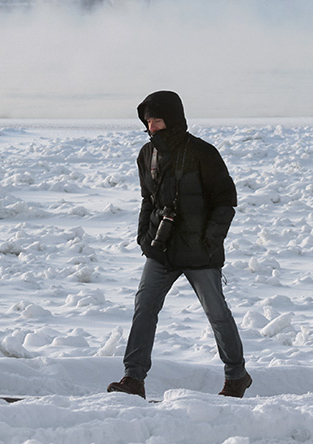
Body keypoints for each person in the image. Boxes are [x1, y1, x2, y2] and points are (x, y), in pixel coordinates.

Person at [107, 90, 252, 399]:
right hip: (161, 248)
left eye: (157, 120)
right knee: (144, 308)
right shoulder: (147, 154)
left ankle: (236, 376)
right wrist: (144, 237)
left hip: (200, 251)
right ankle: (133, 379)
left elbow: (225, 201)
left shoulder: (202, 152)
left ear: (172, 119)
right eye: (147, 122)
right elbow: (148, 199)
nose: (151, 128)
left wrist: (211, 241)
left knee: (217, 314)